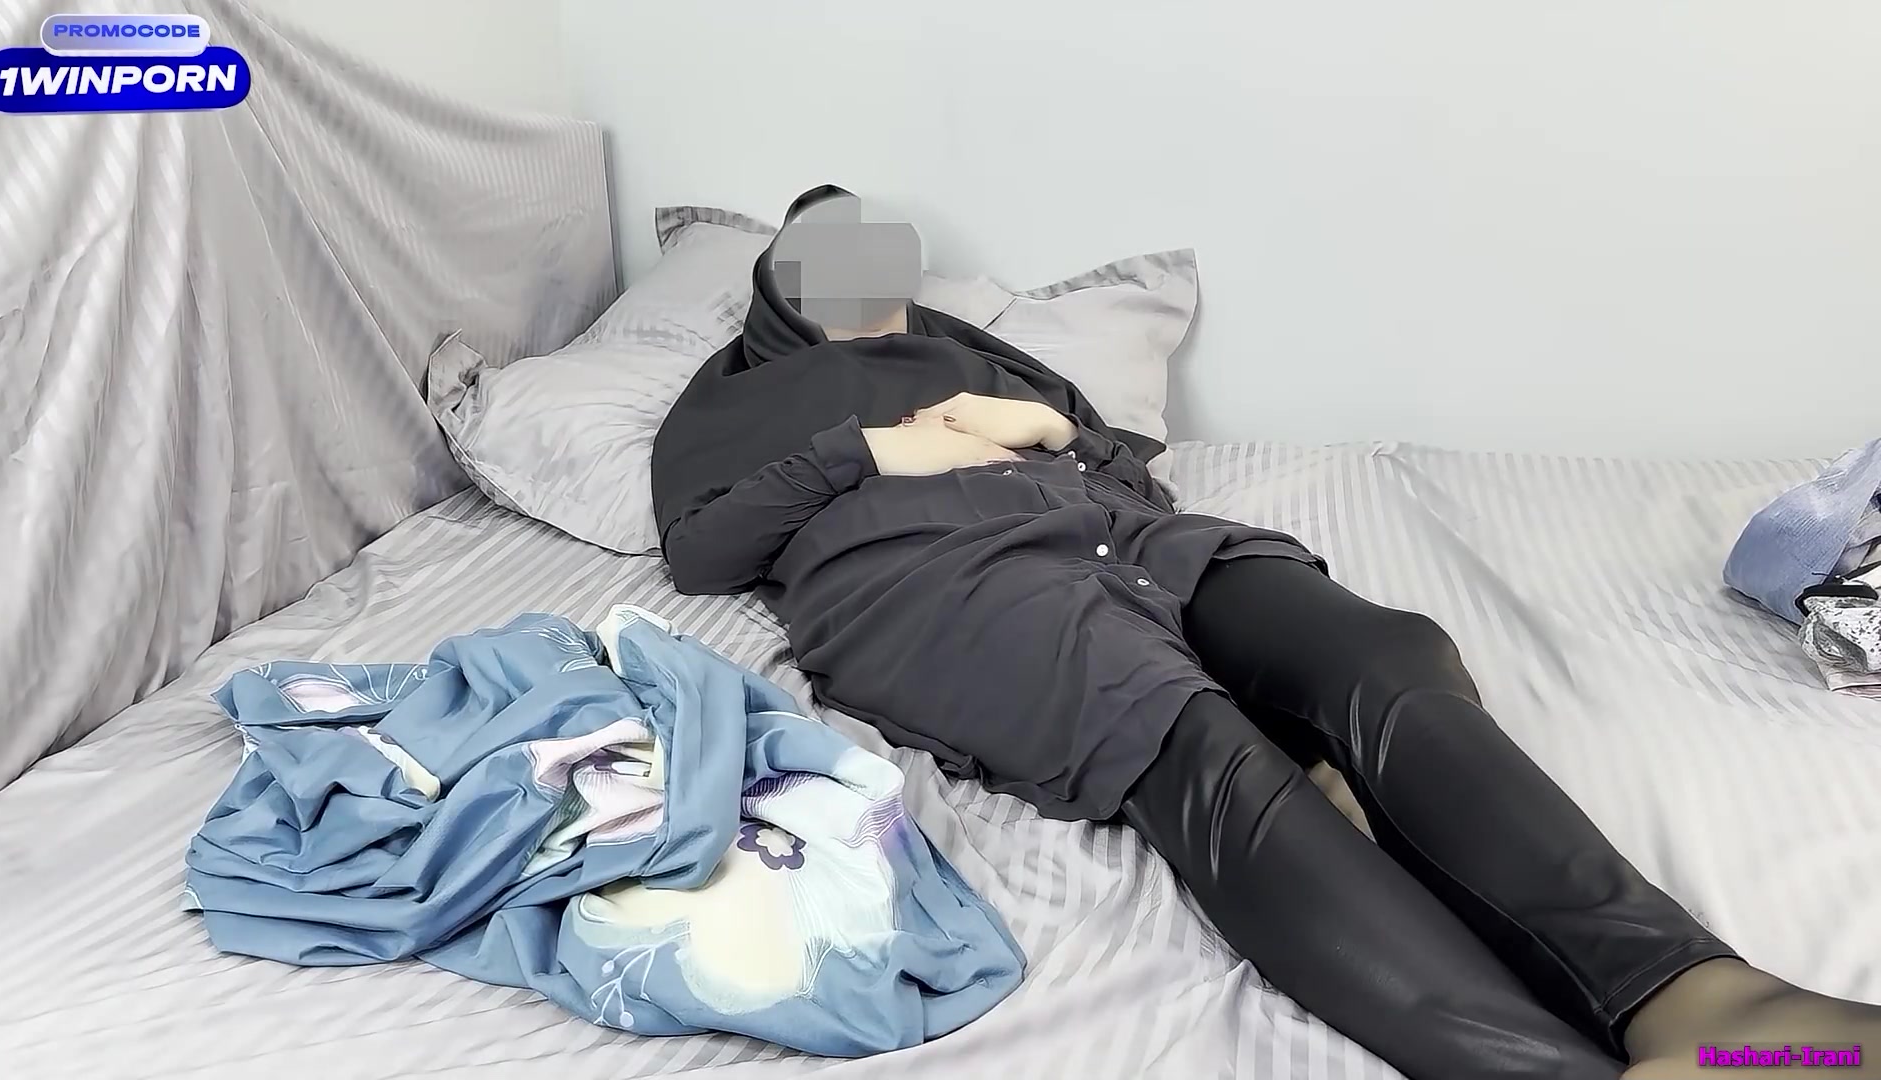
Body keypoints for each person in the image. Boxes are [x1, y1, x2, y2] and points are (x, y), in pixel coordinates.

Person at [649, 187, 1879, 1080]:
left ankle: (1701, 1000)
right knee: (1185, 736)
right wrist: (878, 448)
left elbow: (1121, 455)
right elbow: (700, 548)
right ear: (780, 288)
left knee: (1385, 657)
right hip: (925, 580)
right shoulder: (730, 400)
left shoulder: (970, 352)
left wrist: (1054, 435)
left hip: (1122, 536)